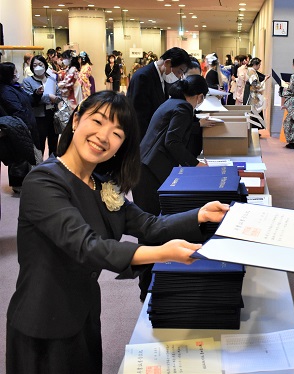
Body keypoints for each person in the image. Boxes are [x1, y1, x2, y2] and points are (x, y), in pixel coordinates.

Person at [5, 90, 229, 374]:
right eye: (97, 121)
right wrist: (161, 254)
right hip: (42, 321)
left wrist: (199, 214)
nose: (103, 136)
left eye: (117, 133)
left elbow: (149, 224)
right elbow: (87, 246)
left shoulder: (100, 184)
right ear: (75, 121)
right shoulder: (44, 181)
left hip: (84, 313)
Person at [132, 75, 214, 301]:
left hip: (143, 167)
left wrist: (197, 124)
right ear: (199, 96)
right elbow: (172, 141)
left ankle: (147, 285)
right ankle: (146, 288)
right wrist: (195, 164)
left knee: (149, 228)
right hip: (149, 173)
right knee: (150, 230)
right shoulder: (183, 109)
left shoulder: (172, 102)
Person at [127, 47, 191, 139]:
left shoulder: (163, 77)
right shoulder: (143, 77)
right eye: (179, 71)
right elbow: (139, 117)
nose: (180, 76)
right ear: (168, 63)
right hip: (143, 138)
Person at [0, 62, 41, 193]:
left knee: (27, 156)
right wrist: (27, 126)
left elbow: (28, 101)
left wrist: (36, 94)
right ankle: (19, 186)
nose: (17, 73)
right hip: (18, 128)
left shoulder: (15, 87)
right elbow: (16, 110)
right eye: (14, 71)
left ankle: (26, 183)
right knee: (20, 158)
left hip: (25, 126)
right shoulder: (5, 91)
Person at [22, 55, 62, 158]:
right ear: (31, 67)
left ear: (45, 65)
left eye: (40, 64)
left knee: (54, 144)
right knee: (40, 144)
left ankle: (52, 167)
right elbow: (29, 99)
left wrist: (56, 99)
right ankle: (39, 168)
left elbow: (59, 95)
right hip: (38, 117)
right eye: (35, 65)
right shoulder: (27, 81)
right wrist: (48, 97)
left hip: (53, 115)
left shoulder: (51, 79)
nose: (38, 67)